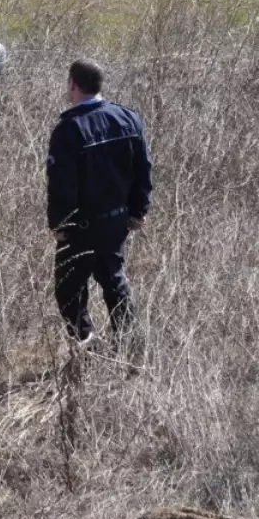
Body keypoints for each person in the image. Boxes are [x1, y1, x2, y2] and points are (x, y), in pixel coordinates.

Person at [47, 59, 153, 348]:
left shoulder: (69, 130)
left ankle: (87, 346)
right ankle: (129, 346)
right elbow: (143, 169)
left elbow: (62, 185)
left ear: (73, 85)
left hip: (81, 227)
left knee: (70, 290)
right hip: (117, 221)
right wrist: (139, 209)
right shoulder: (128, 118)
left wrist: (60, 224)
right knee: (114, 282)